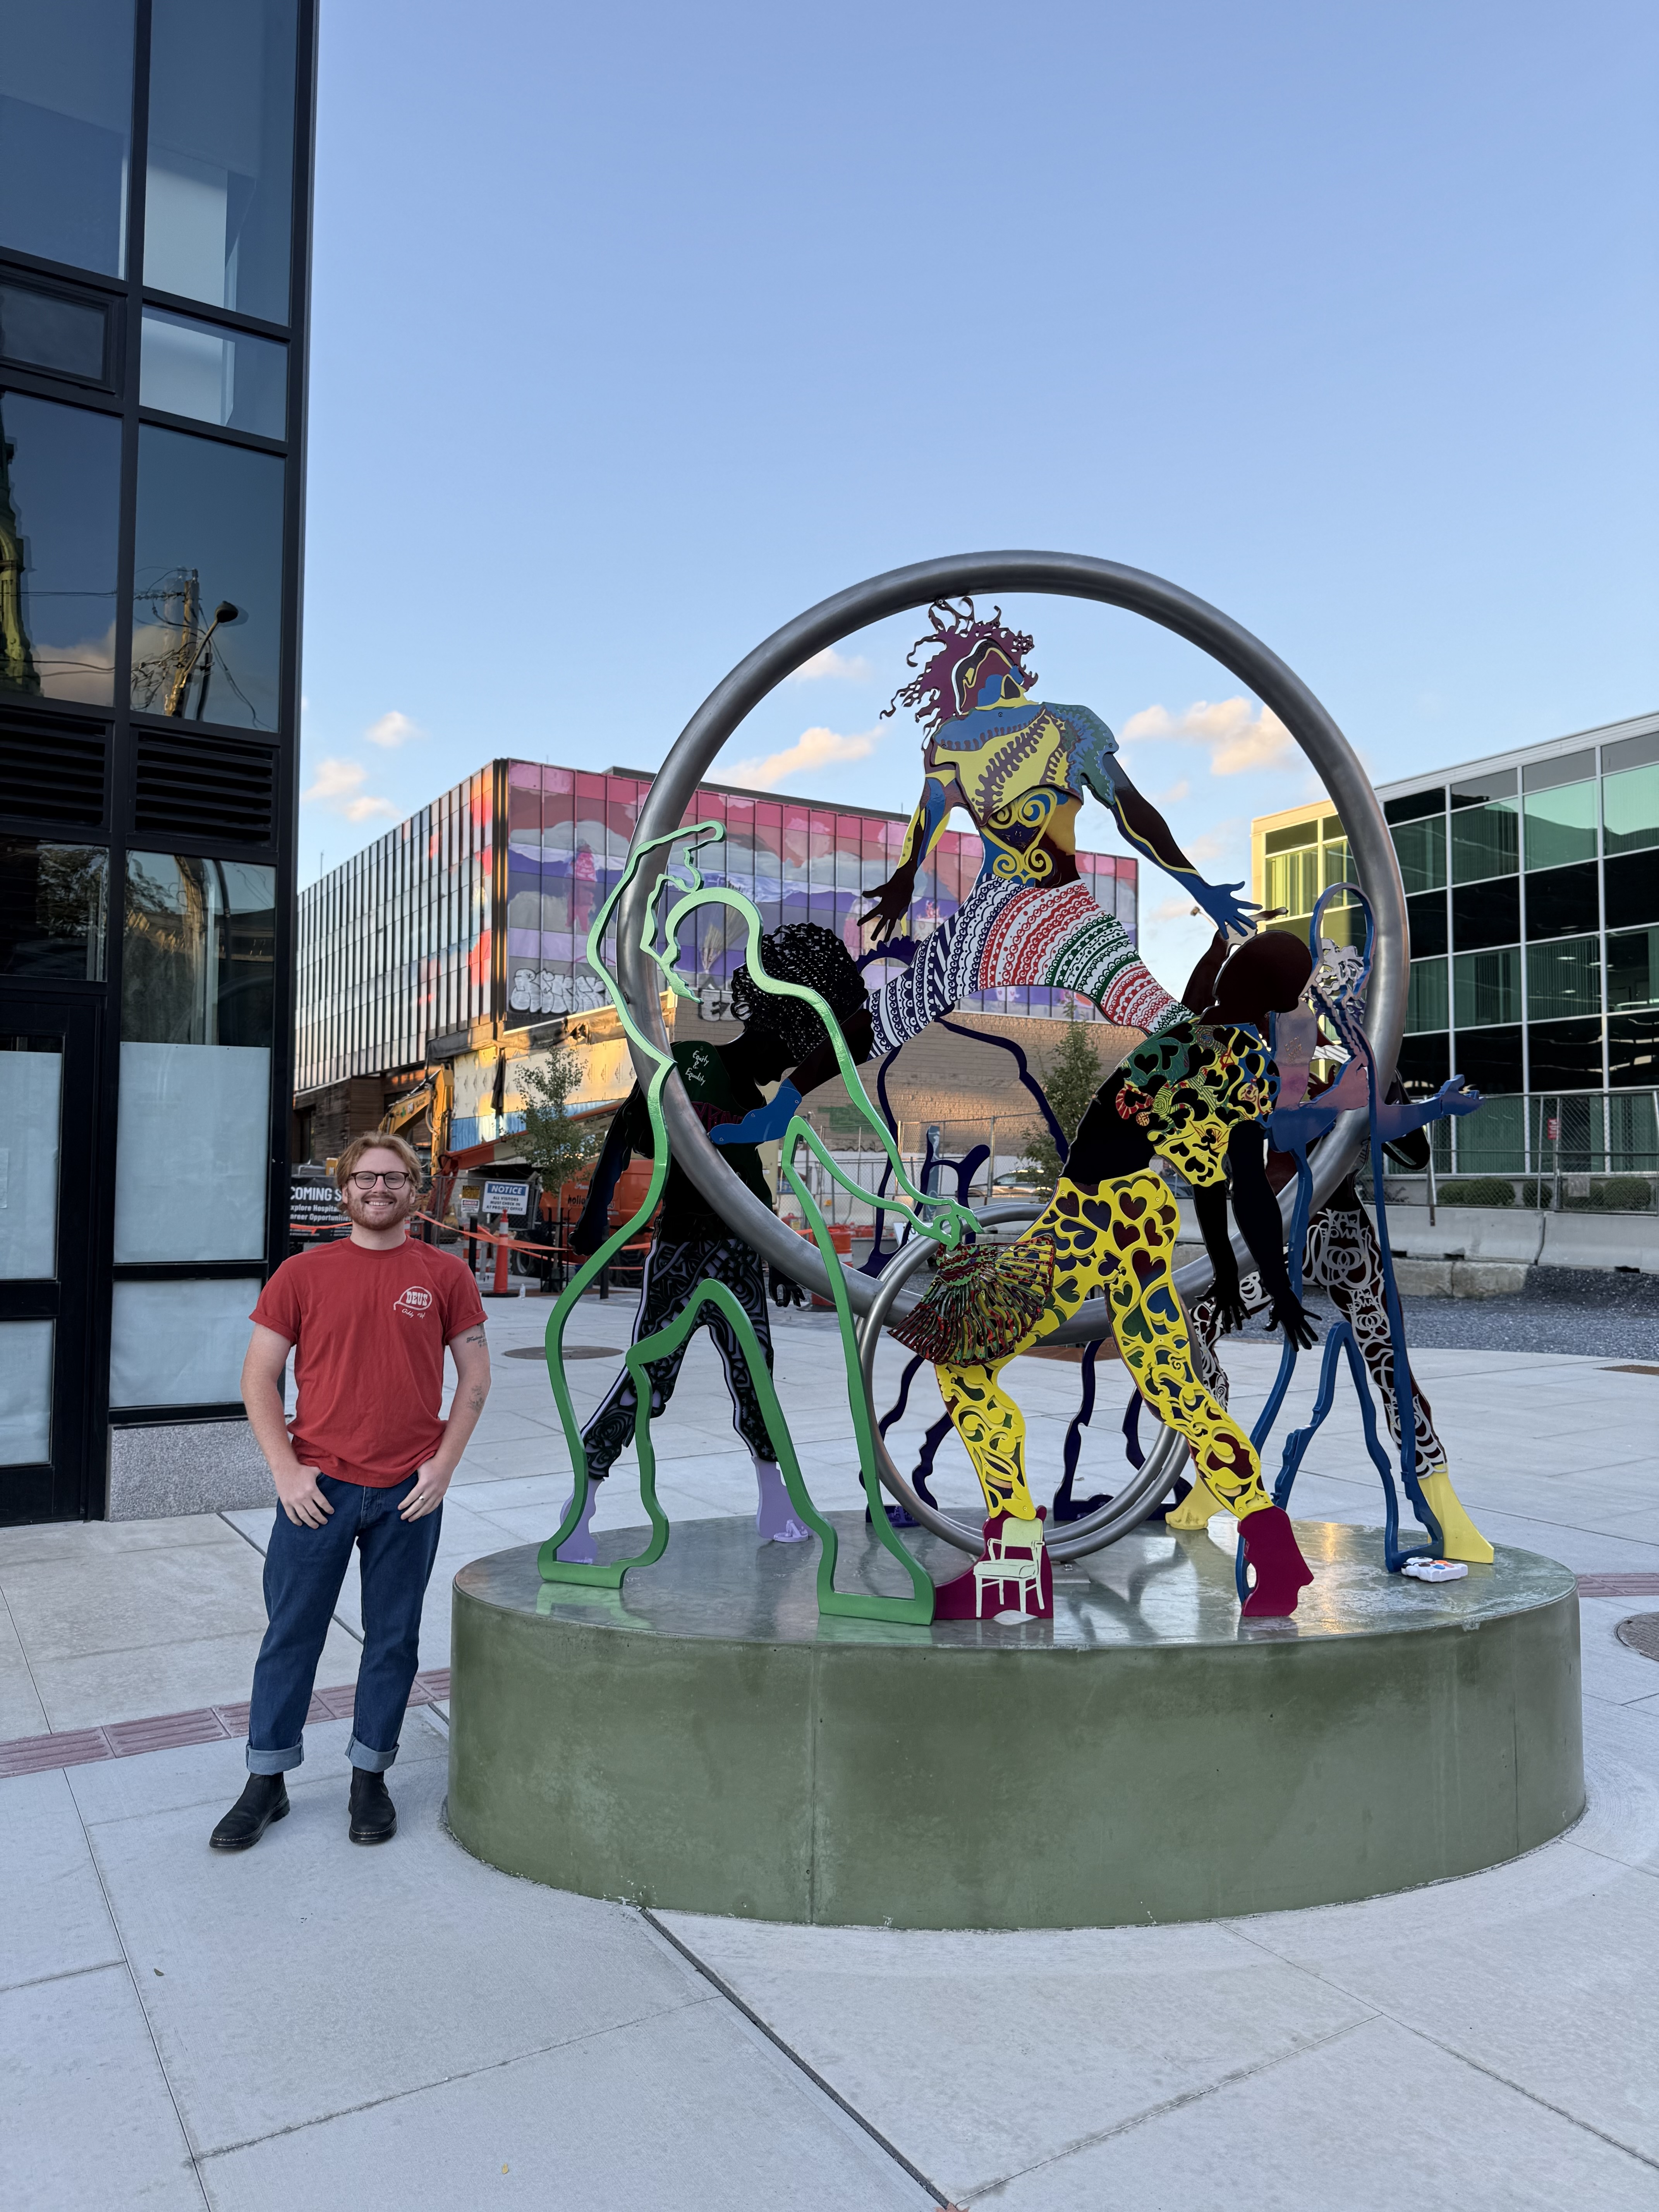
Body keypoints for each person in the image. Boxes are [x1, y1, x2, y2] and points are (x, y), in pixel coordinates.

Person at [892, 931, 1320, 1619]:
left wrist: (1271, 1281)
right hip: (1133, 1216)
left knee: (965, 1361)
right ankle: (1274, 1549)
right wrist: (1255, 1277)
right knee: (1176, 1389)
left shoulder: (1214, 1048)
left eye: (1236, 968)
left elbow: (1240, 1184)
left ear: (1257, 989)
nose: (1221, 974)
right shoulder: (1230, 1054)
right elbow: (1218, 1185)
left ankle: (1015, 1567)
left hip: (1095, 1217)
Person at [209, 1133, 490, 1851]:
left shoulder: (446, 1273)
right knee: (291, 1635)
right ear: (344, 1191)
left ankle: (371, 1775)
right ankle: (266, 1781)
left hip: (407, 1492)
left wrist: (443, 1467)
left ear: (414, 1190)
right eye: (365, 1178)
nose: (378, 1189)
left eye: (393, 1179)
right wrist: (286, 1470)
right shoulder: (302, 1274)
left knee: (393, 1641)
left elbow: (476, 1380)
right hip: (318, 1488)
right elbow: (257, 1380)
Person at [556, 923, 871, 1561]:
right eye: (785, 1049)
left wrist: (778, 1251)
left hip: (741, 1252)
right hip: (689, 1245)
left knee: (757, 1378)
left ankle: (775, 1501)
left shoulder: (752, 1090)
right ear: (770, 1023)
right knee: (651, 1379)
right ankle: (580, 1505)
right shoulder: (698, 1060)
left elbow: (744, 1170)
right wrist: (594, 1214)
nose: (781, 1066)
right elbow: (657, 1128)